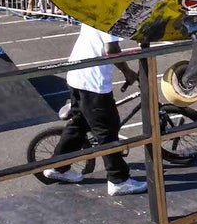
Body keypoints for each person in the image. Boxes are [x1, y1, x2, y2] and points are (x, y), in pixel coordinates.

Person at [40, 25, 147, 194]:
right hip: (93, 82)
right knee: (107, 131)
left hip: (77, 75)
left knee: (79, 124)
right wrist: (127, 71)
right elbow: (111, 49)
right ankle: (118, 180)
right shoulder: (109, 17)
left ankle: (58, 167)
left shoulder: (97, 10)